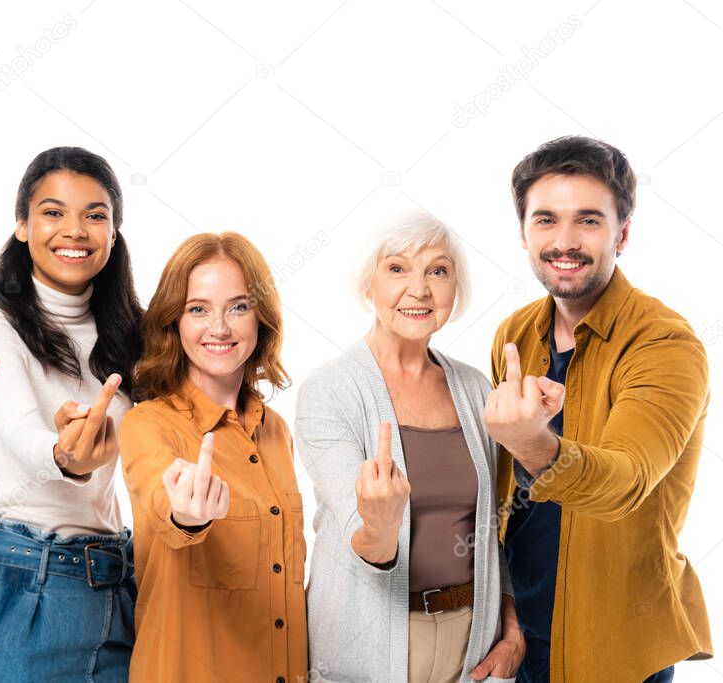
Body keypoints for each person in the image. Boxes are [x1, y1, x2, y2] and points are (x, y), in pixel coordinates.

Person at [485, 135, 712, 682]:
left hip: (611, 643)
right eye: (545, 220)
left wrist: (535, 445)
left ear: (623, 233)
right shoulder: (514, 334)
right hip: (517, 635)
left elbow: (627, 481)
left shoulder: (664, 345)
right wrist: (505, 613)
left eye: (588, 220)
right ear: (523, 233)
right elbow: (504, 501)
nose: (564, 241)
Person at [295, 211, 523, 683]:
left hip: (471, 640)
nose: (419, 289)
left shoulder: (477, 388)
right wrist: (380, 523)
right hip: (370, 642)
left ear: (455, 288)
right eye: (397, 268)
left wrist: (512, 628)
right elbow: (366, 542)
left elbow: (492, 527)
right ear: (368, 285)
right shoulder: (330, 390)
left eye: (437, 271)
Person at [0, 147, 143, 681]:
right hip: (23, 587)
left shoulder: (131, 337)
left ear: (114, 232)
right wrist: (64, 456)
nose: (74, 230)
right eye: (53, 213)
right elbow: (22, 433)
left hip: (119, 590)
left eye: (95, 215)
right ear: (22, 226)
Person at [118, 232, 308, 682]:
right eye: (197, 309)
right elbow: (162, 502)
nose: (219, 327)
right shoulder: (148, 424)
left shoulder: (275, 429)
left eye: (238, 307)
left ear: (261, 319)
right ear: (173, 322)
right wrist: (189, 516)